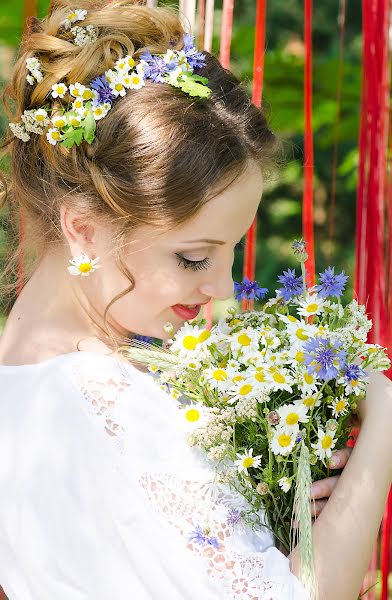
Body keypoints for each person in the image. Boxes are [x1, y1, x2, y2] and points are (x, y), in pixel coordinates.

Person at [0, 1, 391, 598]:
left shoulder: (21, 386)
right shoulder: (108, 403)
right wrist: (384, 424)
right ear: (82, 226)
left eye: (230, 252)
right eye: (192, 257)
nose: (222, 288)